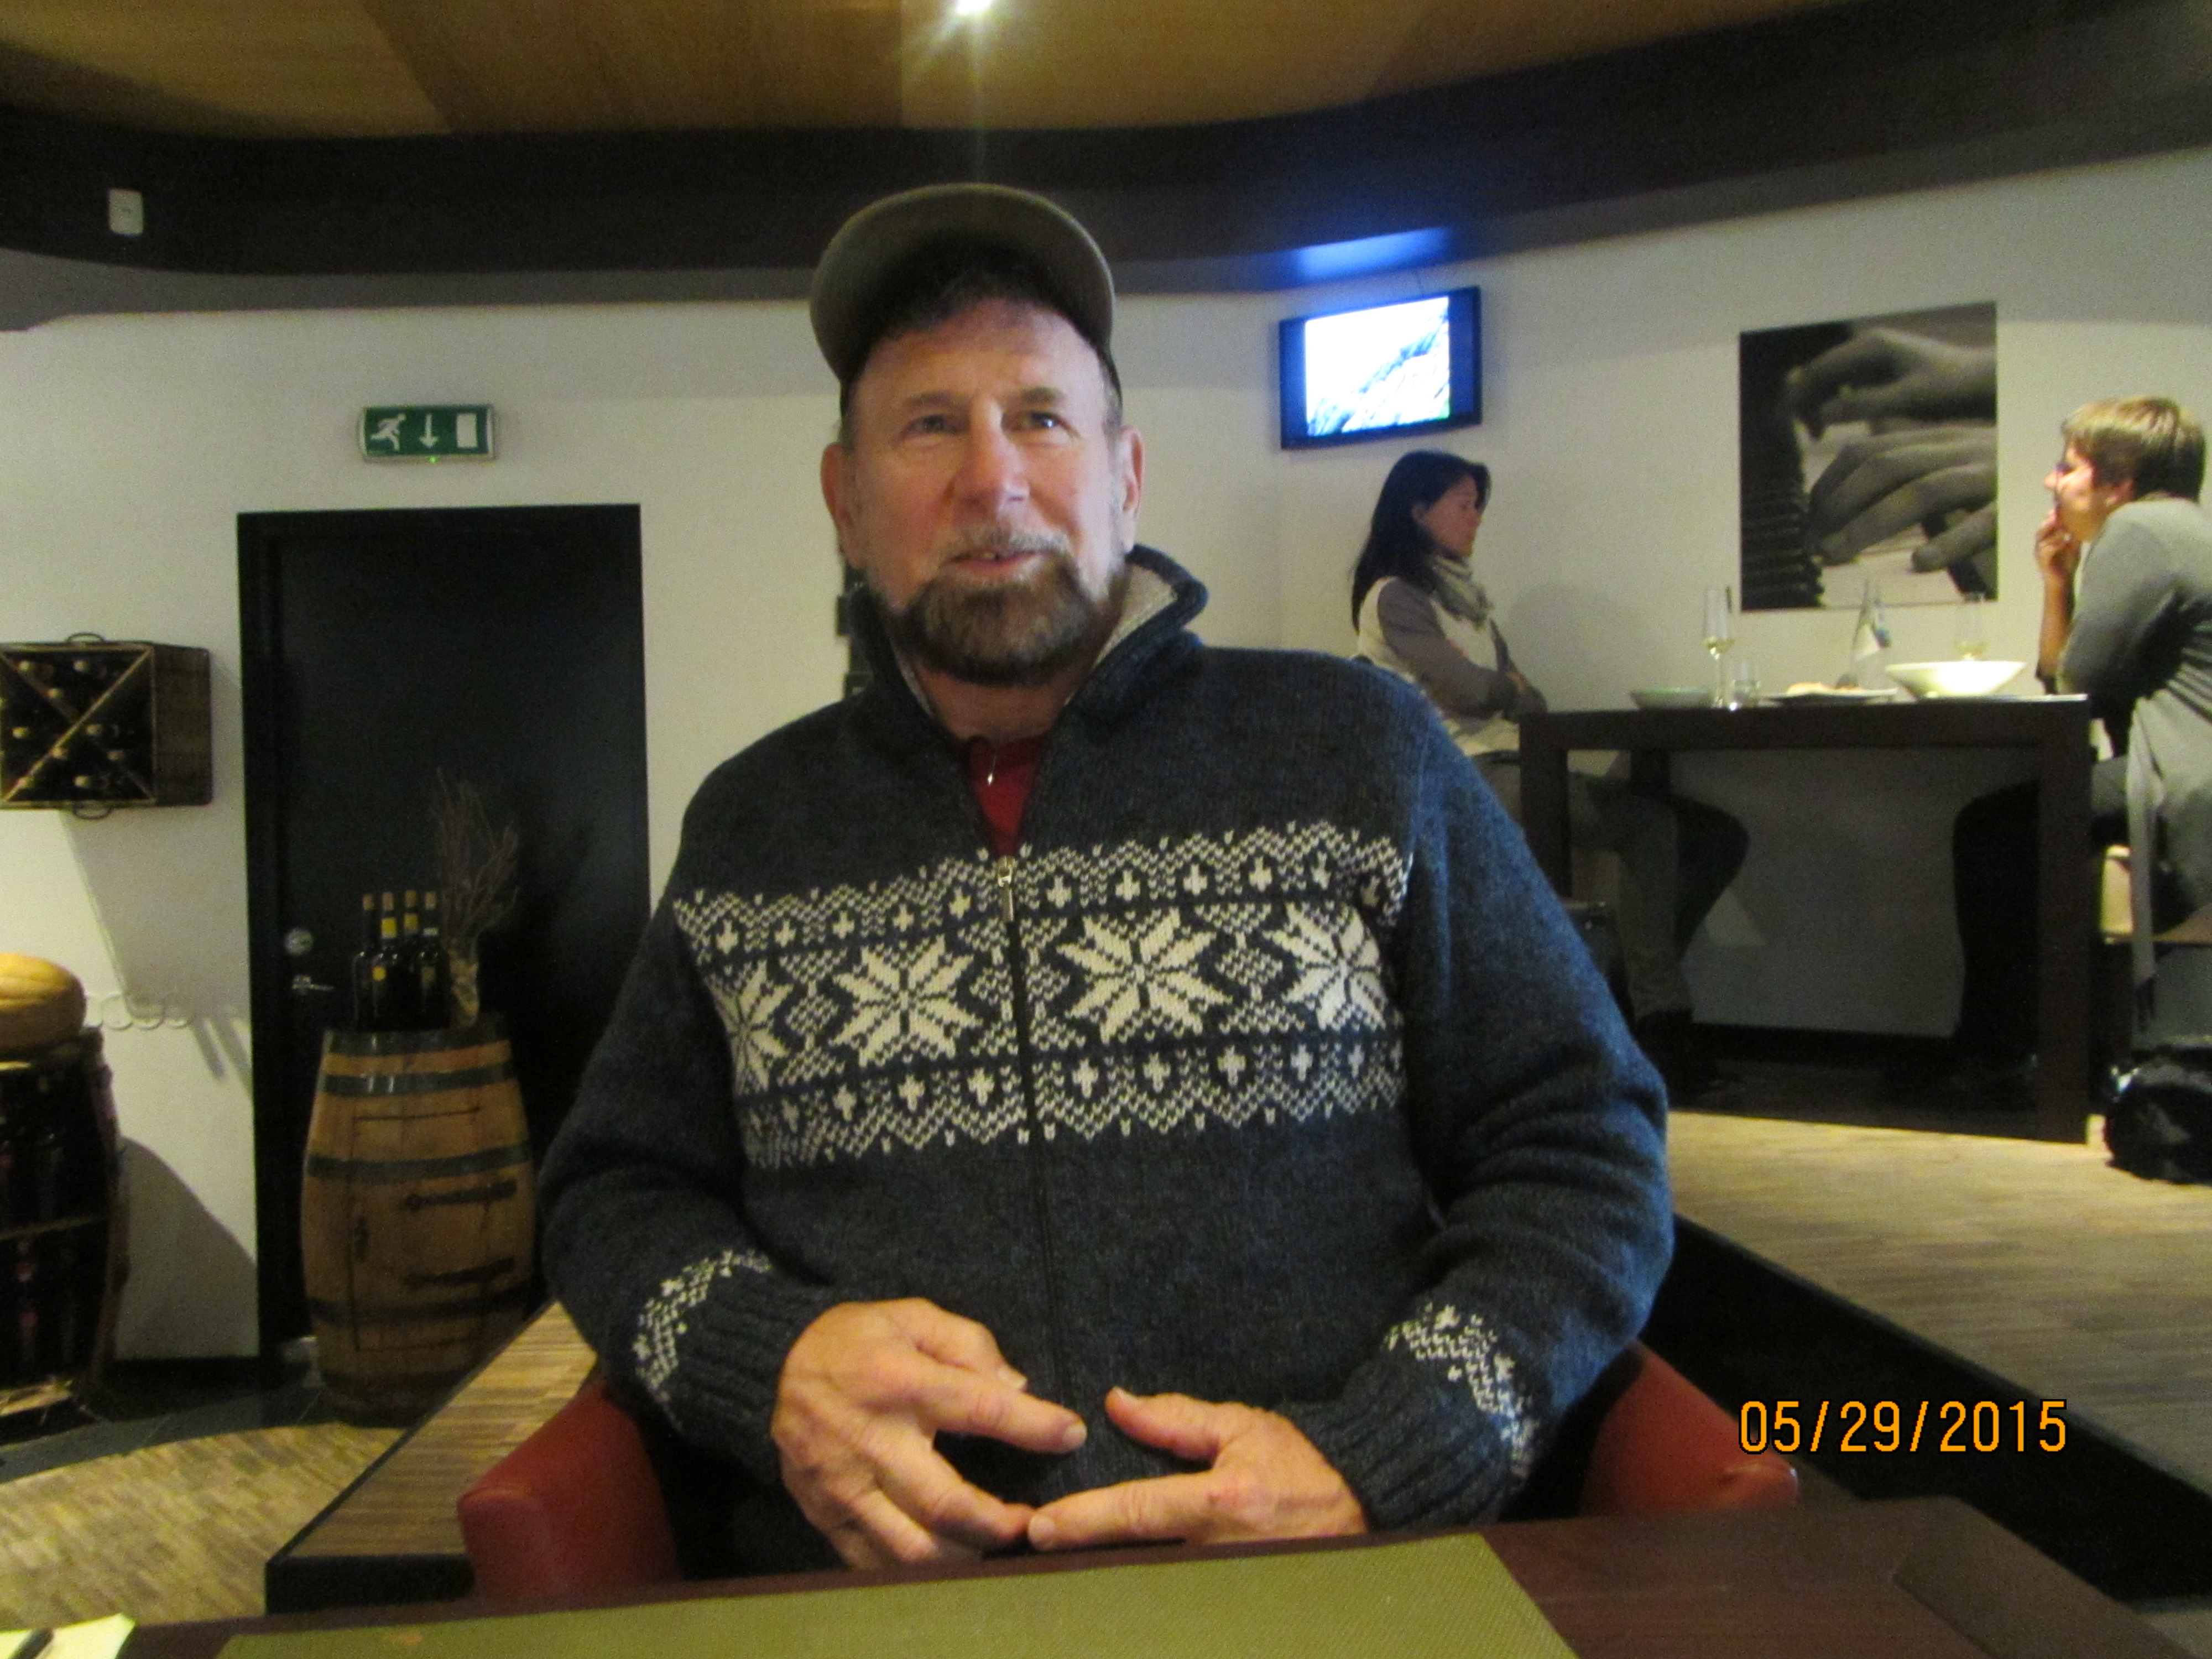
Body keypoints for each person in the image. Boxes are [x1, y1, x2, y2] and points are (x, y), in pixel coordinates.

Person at [538, 183, 1671, 1577]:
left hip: (1319, 1587)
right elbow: (611, 1189)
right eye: (928, 425)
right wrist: (768, 1359)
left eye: (1040, 418)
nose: (991, 479)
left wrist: (1385, 1453)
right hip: (878, 1603)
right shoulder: (752, 828)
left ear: (1126, 476)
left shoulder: (1354, 753)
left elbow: (1583, 1142)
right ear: (845, 502)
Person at [1349, 451, 1749, 1093]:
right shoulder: (1396, 596)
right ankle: (1659, 1023)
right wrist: (1495, 686)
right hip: (1464, 775)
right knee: (1647, 828)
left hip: (1516, 759)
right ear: (1418, 511)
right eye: (1463, 504)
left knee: (1714, 836)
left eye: (1478, 504)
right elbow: (1475, 690)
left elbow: (1527, 700)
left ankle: (1625, 994)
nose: (1476, 517)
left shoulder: (1469, 605)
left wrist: (1494, 686)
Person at [1944, 397, 2212, 1100]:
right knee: (2025, 825)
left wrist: (2060, 591)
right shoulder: (2185, 528)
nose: (2051, 482)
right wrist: (2057, 582)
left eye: (2068, 468)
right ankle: (2062, 1052)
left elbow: (2076, 683)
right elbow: (2069, 684)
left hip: (2182, 777)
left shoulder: (2138, 531)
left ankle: (2003, 1054)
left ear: (2118, 484)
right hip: (2184, 768)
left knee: (1992, 832)